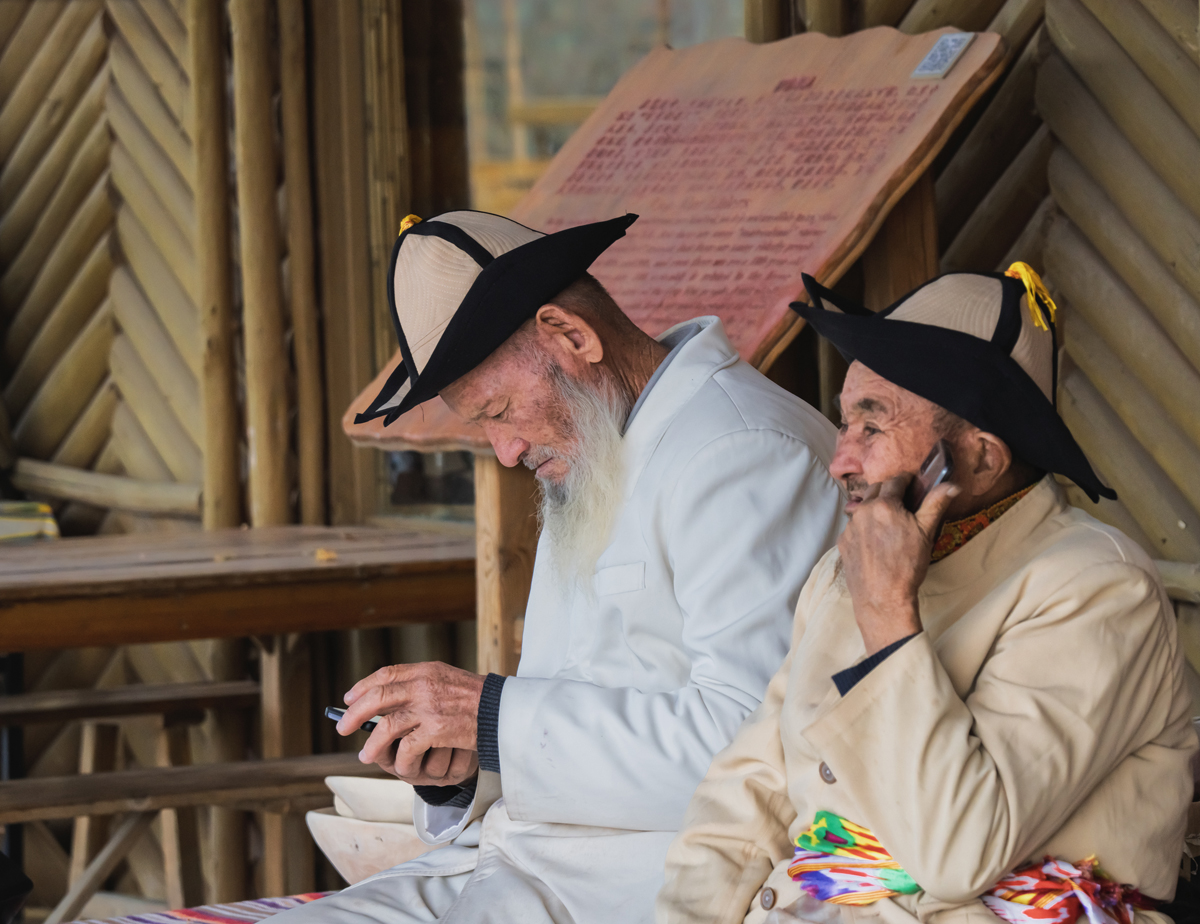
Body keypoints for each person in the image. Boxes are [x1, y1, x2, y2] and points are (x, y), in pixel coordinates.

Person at [275, 210, 846, 924]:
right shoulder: (594, 448)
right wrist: (466, 765)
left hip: (650, 886)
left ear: (572, 336)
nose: (506, 452)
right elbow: (565, 704)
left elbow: (752, 751)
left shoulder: (744, 450)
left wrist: (491, 719)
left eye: (500, 411)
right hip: (516, 864)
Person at [657, 266, 1197, 924]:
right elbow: (746, 800)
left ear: (981, 459)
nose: (841, 461)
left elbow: (957, 852)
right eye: (844, 424)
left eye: (872, 428)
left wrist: (887, 615)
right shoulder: (847, 571)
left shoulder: (1099, 588)